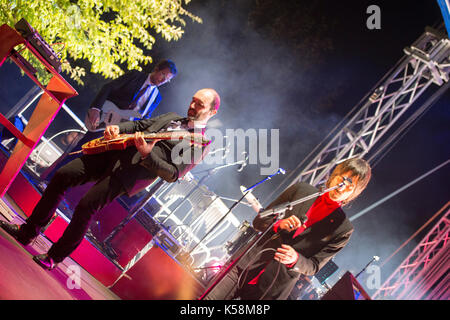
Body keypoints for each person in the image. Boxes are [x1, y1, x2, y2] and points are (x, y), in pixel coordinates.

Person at [0, 88, 220, 270]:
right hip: (111, 152)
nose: (192, 106)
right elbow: (139, 125)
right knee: (62, 175)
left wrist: (147, 153)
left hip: (130, 174)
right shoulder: (171, 117)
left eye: (199, 104)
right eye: (192, 100)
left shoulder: (199, 143)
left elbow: (173, 174)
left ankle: (54, 256)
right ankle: (28, 231)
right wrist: (117, 128)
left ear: (212, 111)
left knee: (86, 207)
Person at [203, 158, 371, 300]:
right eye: (342, 179)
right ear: (334, 175)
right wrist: (277, 225)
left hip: (272, 288)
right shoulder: (302, 190)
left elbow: (314, 266)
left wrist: (295, 259)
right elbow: (259, 221)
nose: (342, 186)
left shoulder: (343, 228)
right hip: (246, 264)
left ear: (355, 192)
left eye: (350, 185)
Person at [40, 59, 177, 180]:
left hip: (119, 132)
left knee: (92, 163)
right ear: (156, 69)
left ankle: (61, 183)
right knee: (79, 150)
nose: (163, 80)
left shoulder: (156, 97)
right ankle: (50, 178)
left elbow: (143, 119)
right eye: (163, 75)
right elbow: (108, 87)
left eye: (168, 79)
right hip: (106, 118)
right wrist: (96, 108)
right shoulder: (136, 75)